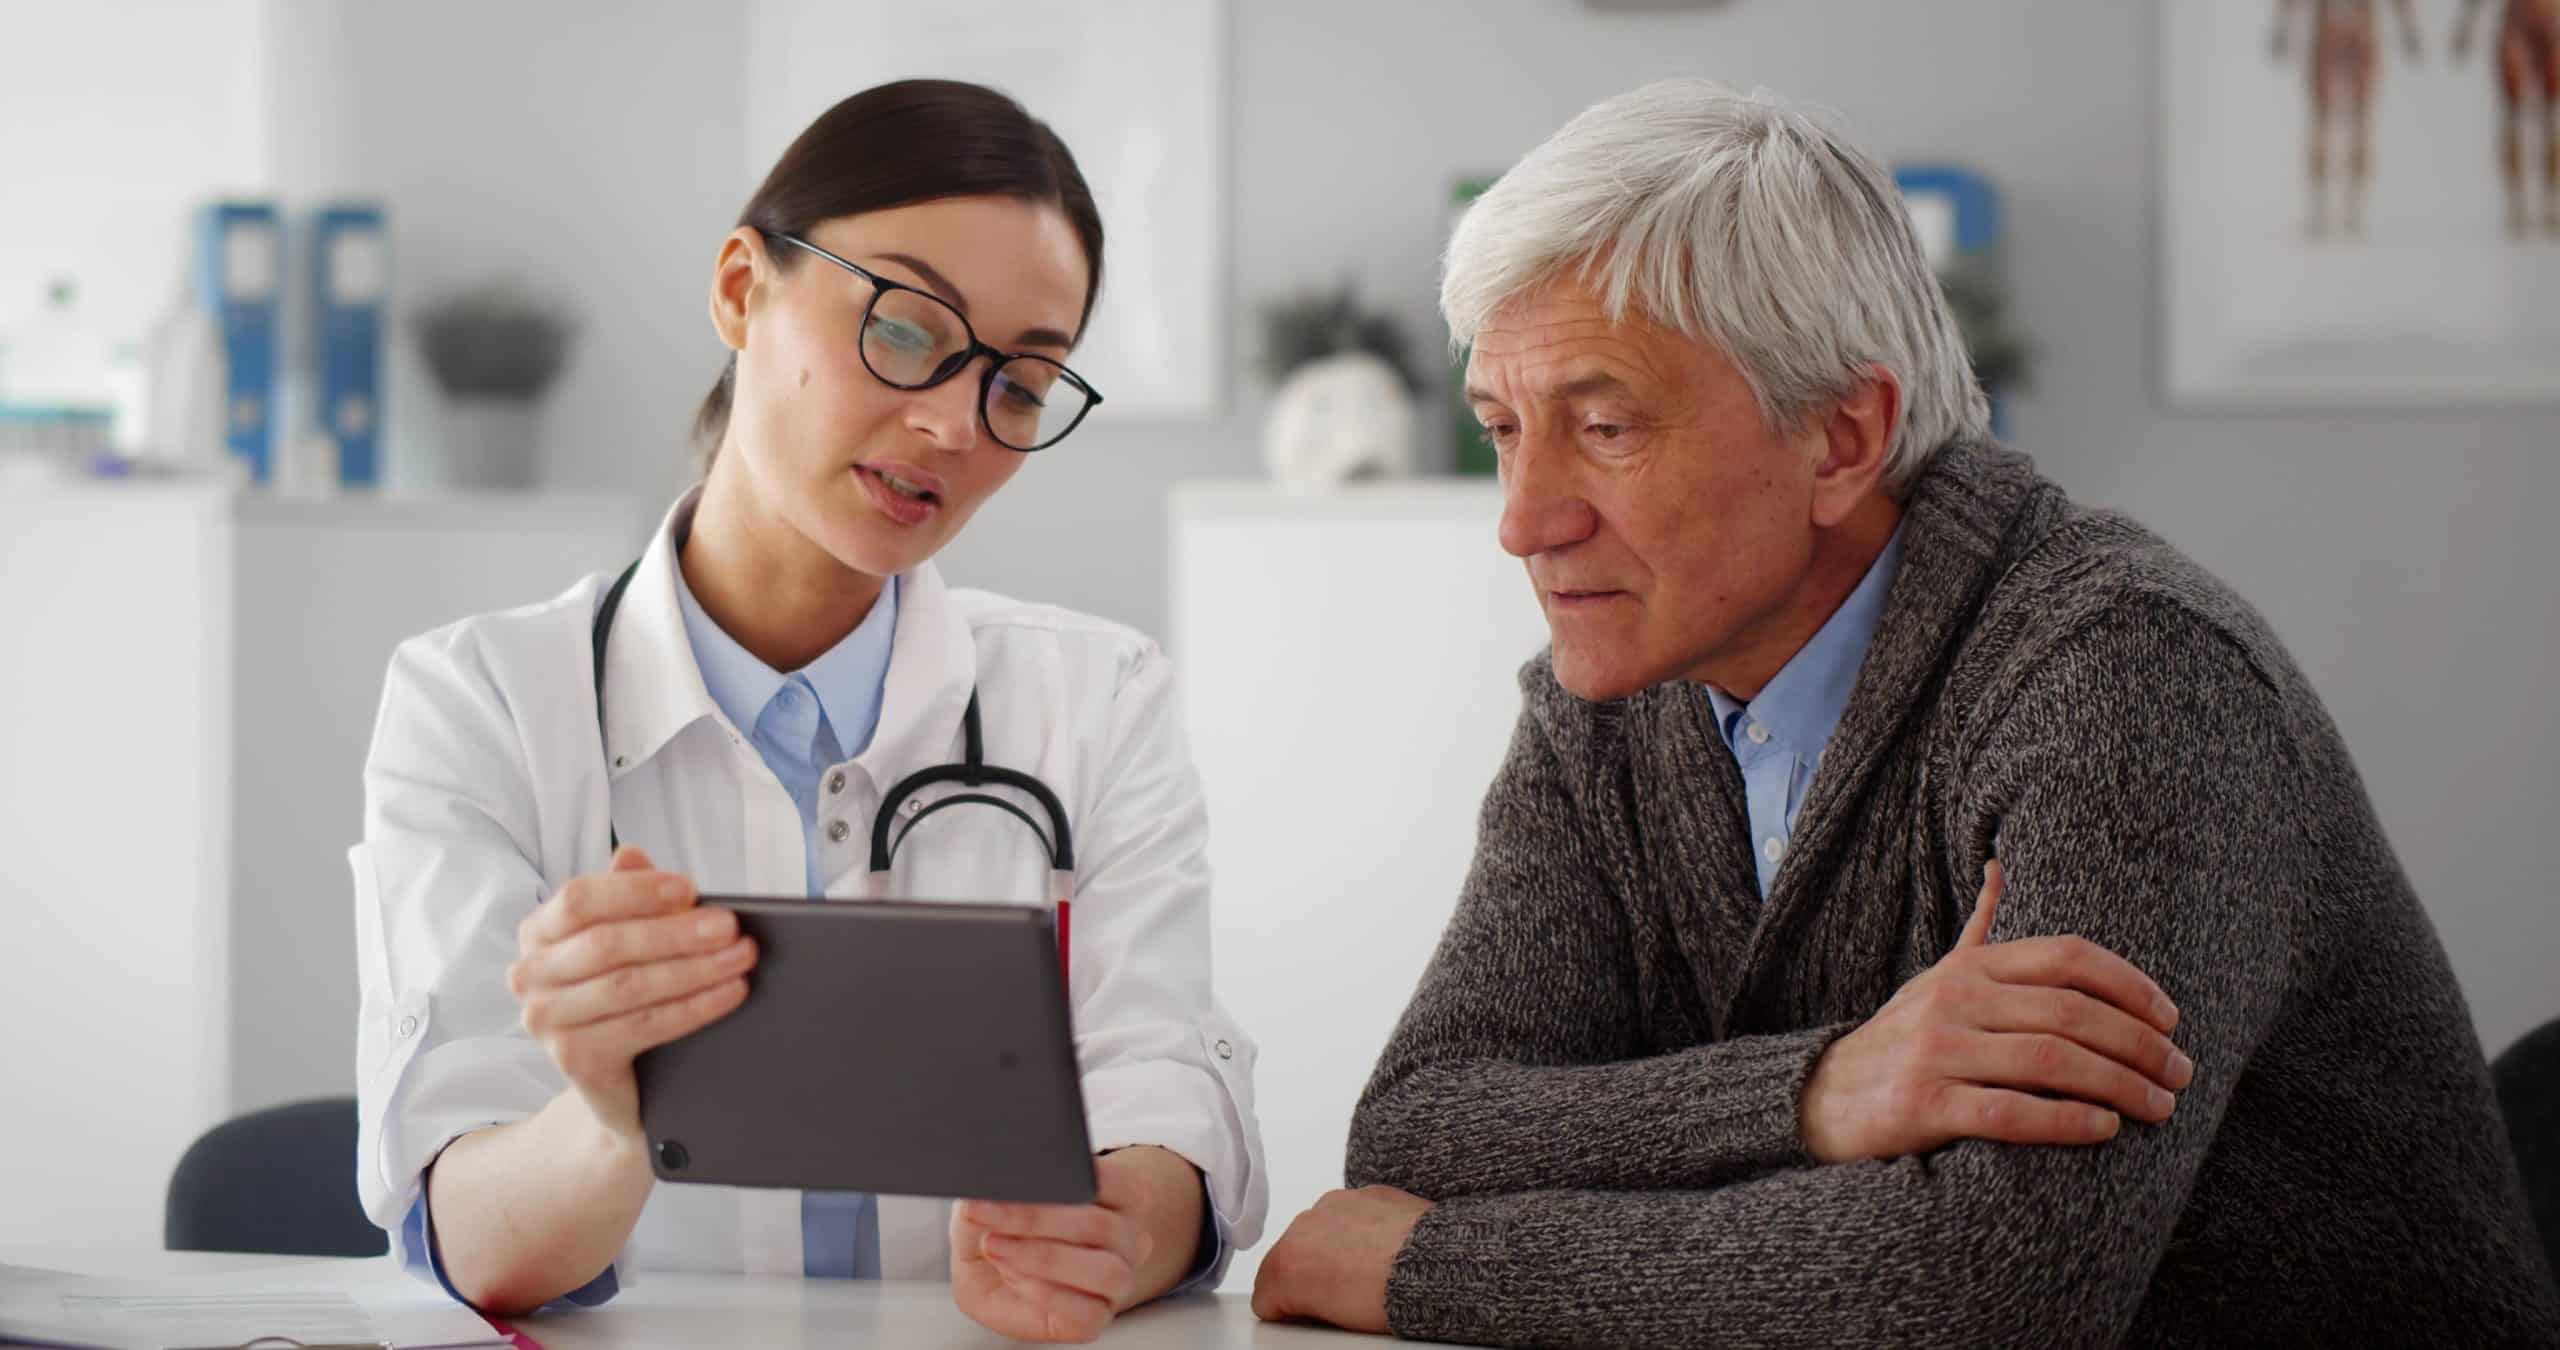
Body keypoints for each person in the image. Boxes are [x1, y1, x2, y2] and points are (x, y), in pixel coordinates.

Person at [1248, 78, 2560, 1346]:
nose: (1524, 521)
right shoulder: (1607, 705)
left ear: (1842, 435)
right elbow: (1426, 1124)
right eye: (1499, 428)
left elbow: (1986, 1294)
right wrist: (1823, 1091)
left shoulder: (2137, 679)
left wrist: (1426, 1263)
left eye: (1603, 429)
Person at [352, 79, 1265, 1342]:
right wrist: (612, 1114)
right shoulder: (482, 703)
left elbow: (1160, 1094)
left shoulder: (1096, 702)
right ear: (740, 289)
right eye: (904, 327)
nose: (953, 420)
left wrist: (1107, 1233)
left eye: (1022, 383)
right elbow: (475, 1239)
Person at [2271, 0, 2424, 240]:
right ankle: (2332, 209)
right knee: (2340, 122)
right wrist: (2409, 31)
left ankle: (2346, 209)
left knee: (2343, 122)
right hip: (2345, 37)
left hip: (2345, 38)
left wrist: (2281, 28)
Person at [2455, 0, 2560, 237]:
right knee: (2515, 116)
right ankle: (2518, 205)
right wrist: (2466, 27)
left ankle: (2549, 204)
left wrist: (2465, 28)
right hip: (2517, 25)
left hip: (2549, 26)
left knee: (2549, 118)